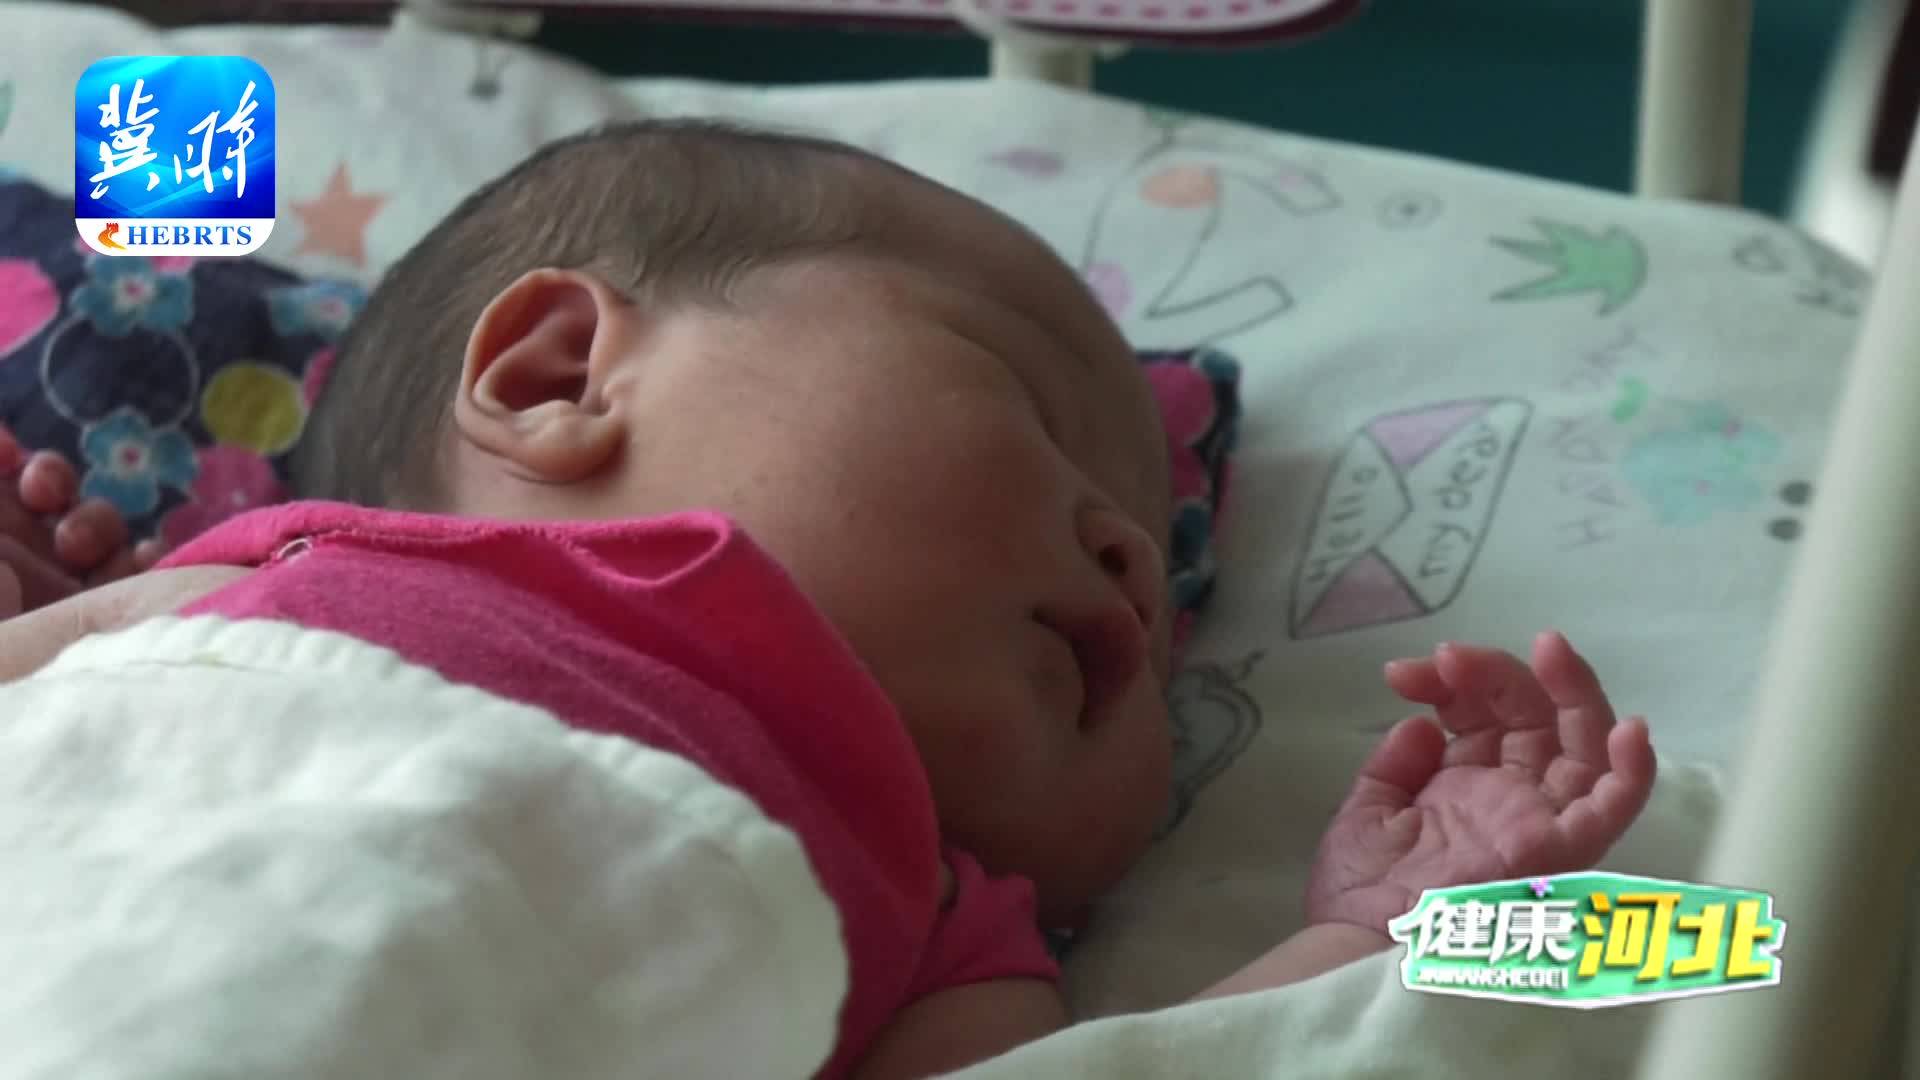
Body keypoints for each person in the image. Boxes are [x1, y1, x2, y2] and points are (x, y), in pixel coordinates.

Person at [0, 120, 1657, 1080]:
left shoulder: (929, 918)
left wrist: (1363, 932)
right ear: (561, 376)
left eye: (1163, 614)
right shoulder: (284, 589)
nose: (1138, 565)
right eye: (1024, 406)